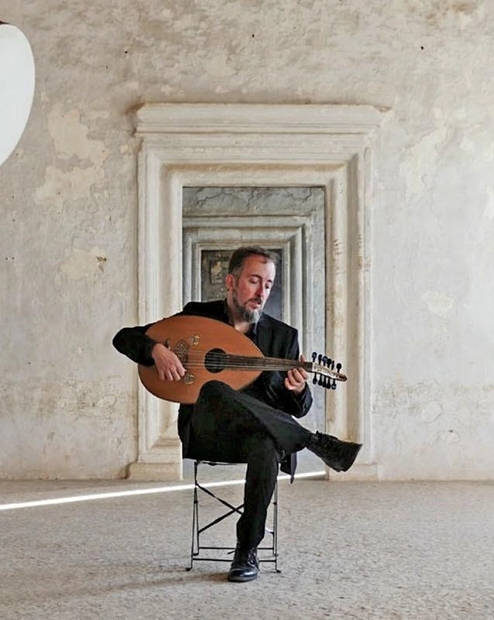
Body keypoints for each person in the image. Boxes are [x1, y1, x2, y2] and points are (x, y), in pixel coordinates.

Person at [113, 246, 361, 582]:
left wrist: (299, 389)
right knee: (214, 390)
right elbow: (123, 337)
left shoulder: (283, 337)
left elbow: (298, 409)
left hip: (255, 438)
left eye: (269, 285)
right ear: (231, 281)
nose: (262, 293)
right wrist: (155, 349)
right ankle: (313, 442)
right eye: (254, 281)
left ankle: (246, 553)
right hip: (207, 433)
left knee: (266, 446)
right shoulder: (197, 317)